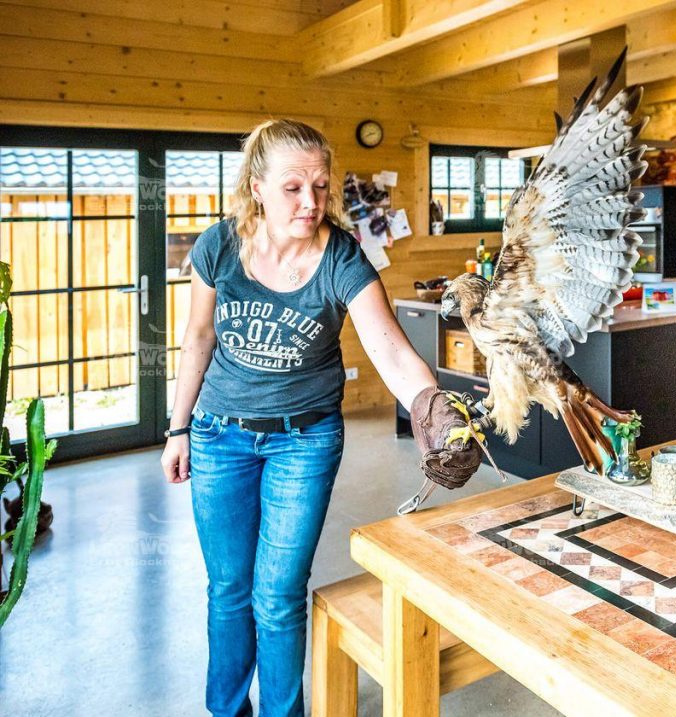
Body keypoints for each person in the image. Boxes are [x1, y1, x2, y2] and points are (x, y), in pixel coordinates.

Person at [159, 119, 480, 717]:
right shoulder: (218, 247)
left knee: (278, 596)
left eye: (322, 187)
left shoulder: (342, 258)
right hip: (218, 435)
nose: (311, 202)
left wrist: (431, 408)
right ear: (257, 186)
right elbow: (199, 338)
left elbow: (389, 348)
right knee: (229, 590)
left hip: (303, 442)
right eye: (293, 187)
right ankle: (226, 710)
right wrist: (177, 429)